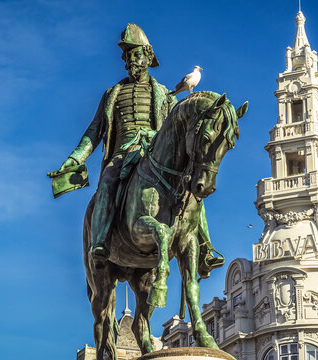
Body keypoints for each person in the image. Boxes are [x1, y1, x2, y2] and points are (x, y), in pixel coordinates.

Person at [57, 23, 223, 275]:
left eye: (134, 55)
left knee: (192, 191)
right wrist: (74, 158)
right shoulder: (113, 94)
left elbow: (177, 132)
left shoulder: (165, 95)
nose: (128, 62)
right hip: (122, 155)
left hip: (157, 152)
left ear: (148, 56)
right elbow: (94, 131)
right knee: (107, 183)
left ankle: (205, 247)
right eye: (126, 57)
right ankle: (100, 241)